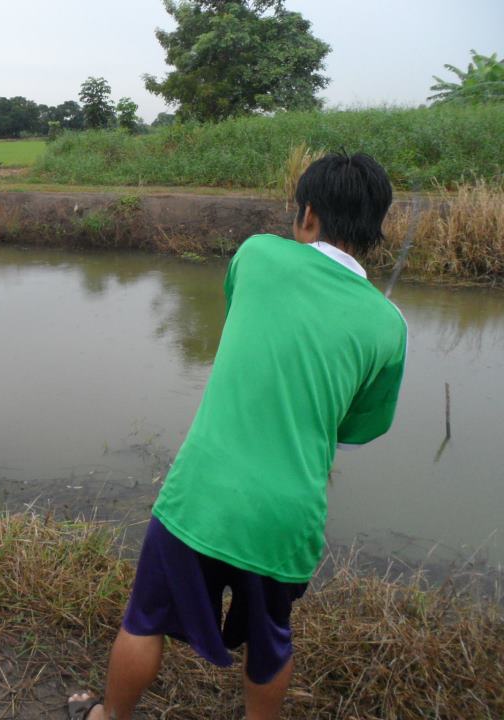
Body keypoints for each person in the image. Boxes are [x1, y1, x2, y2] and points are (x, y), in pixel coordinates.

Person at [67, 152, 407, 720]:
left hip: (201, 495)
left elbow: (237, 320)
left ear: (307, 215)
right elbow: (360, 428)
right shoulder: (389, 325)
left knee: (144, 619)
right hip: (287, 516)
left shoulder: (258, 254)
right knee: (271, 642)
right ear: (375, 231)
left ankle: (107, 717)